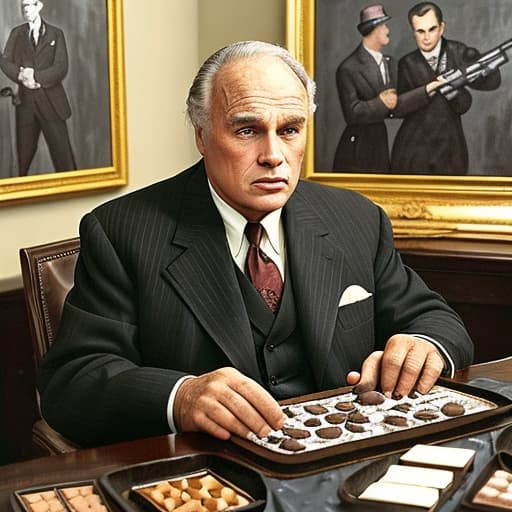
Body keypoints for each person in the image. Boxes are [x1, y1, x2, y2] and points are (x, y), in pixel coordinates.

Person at [38, 40, 473, 448]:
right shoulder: (120, 231)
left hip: (343, 466)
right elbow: (73, 382)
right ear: (202, 136)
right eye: (247, 131)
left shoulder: (358, 219)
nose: (273, 155)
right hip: (212, 477)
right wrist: (182, 397)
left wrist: (425, 346)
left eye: (289, 129)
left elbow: (435, 320)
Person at [390, 2, 501, 174]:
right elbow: (398, 108)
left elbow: (490, 84)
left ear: (442, 28)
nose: (426, 37)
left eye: (432, 29)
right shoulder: (407, 63)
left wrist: (487, 70)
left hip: (451, 148)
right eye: (420, 31)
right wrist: (429, 89)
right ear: (413, 32)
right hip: (413, 149)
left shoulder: (458, 52)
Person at [0, 0, 76, 176]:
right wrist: (20, 76)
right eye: (23, 6)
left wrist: (35, 76)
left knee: (65, 164)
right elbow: (4, 61)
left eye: (29, 5)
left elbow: (61, 67)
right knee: (22, 166)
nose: (25, 10)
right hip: (25, 106)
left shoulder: (56, 34)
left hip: (52, 105)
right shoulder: (17, 33)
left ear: (39, 6)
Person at [333, 4, 398, 172]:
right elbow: (352, 113)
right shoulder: (348, 68)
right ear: (374, 28)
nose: (387, 30)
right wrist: (381, 102)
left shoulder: (391, 63)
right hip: (359, 148)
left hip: (381, 143)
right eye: (384, 25)